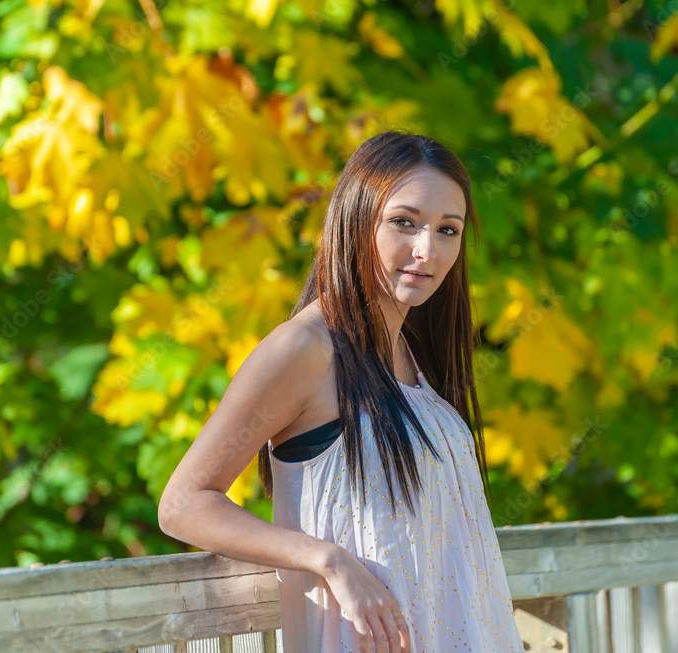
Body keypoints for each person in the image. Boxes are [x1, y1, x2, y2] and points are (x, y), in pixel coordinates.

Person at [158, 130, 525, 652]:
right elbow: (183, 504)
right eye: (404, 222)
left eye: (448, 230)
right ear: (356, 219)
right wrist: (327, 560)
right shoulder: (305, 349)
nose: (427, 250)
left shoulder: (414, 354)